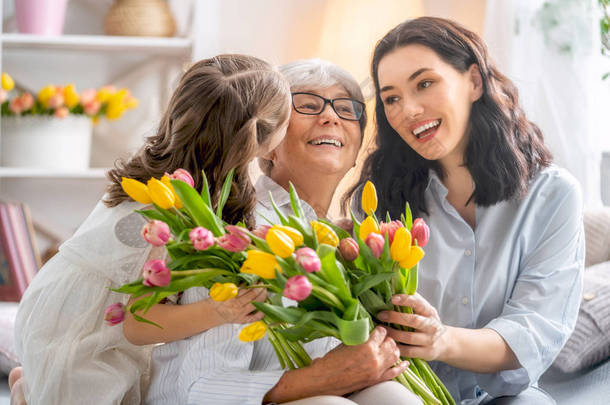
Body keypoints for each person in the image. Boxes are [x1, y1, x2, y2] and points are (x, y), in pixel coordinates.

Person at [12, 54, 292, 405]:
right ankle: (40, 386)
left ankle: (34, 381)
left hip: (56, 306)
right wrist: (221, 312)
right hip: (83, 337)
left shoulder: (159, 171)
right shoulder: (170, 209)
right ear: (260, 139)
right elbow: (139, 324)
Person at [145, 59, 423, 405]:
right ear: (267, 139)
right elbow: (199, 388)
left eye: (347, 109)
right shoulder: (236, 228)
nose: (331, 117)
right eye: (307, 105)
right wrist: (318, 380)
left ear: (355, 151)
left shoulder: (356, 240)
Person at [344, 17, 584, 404]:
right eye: (391, 98)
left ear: (474, 81)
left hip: (505, 394)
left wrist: (441, 340)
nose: (409, 109)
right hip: (403, 389)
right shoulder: (376, 201)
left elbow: (534, 329)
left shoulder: (553, 195)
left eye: (424, 83)